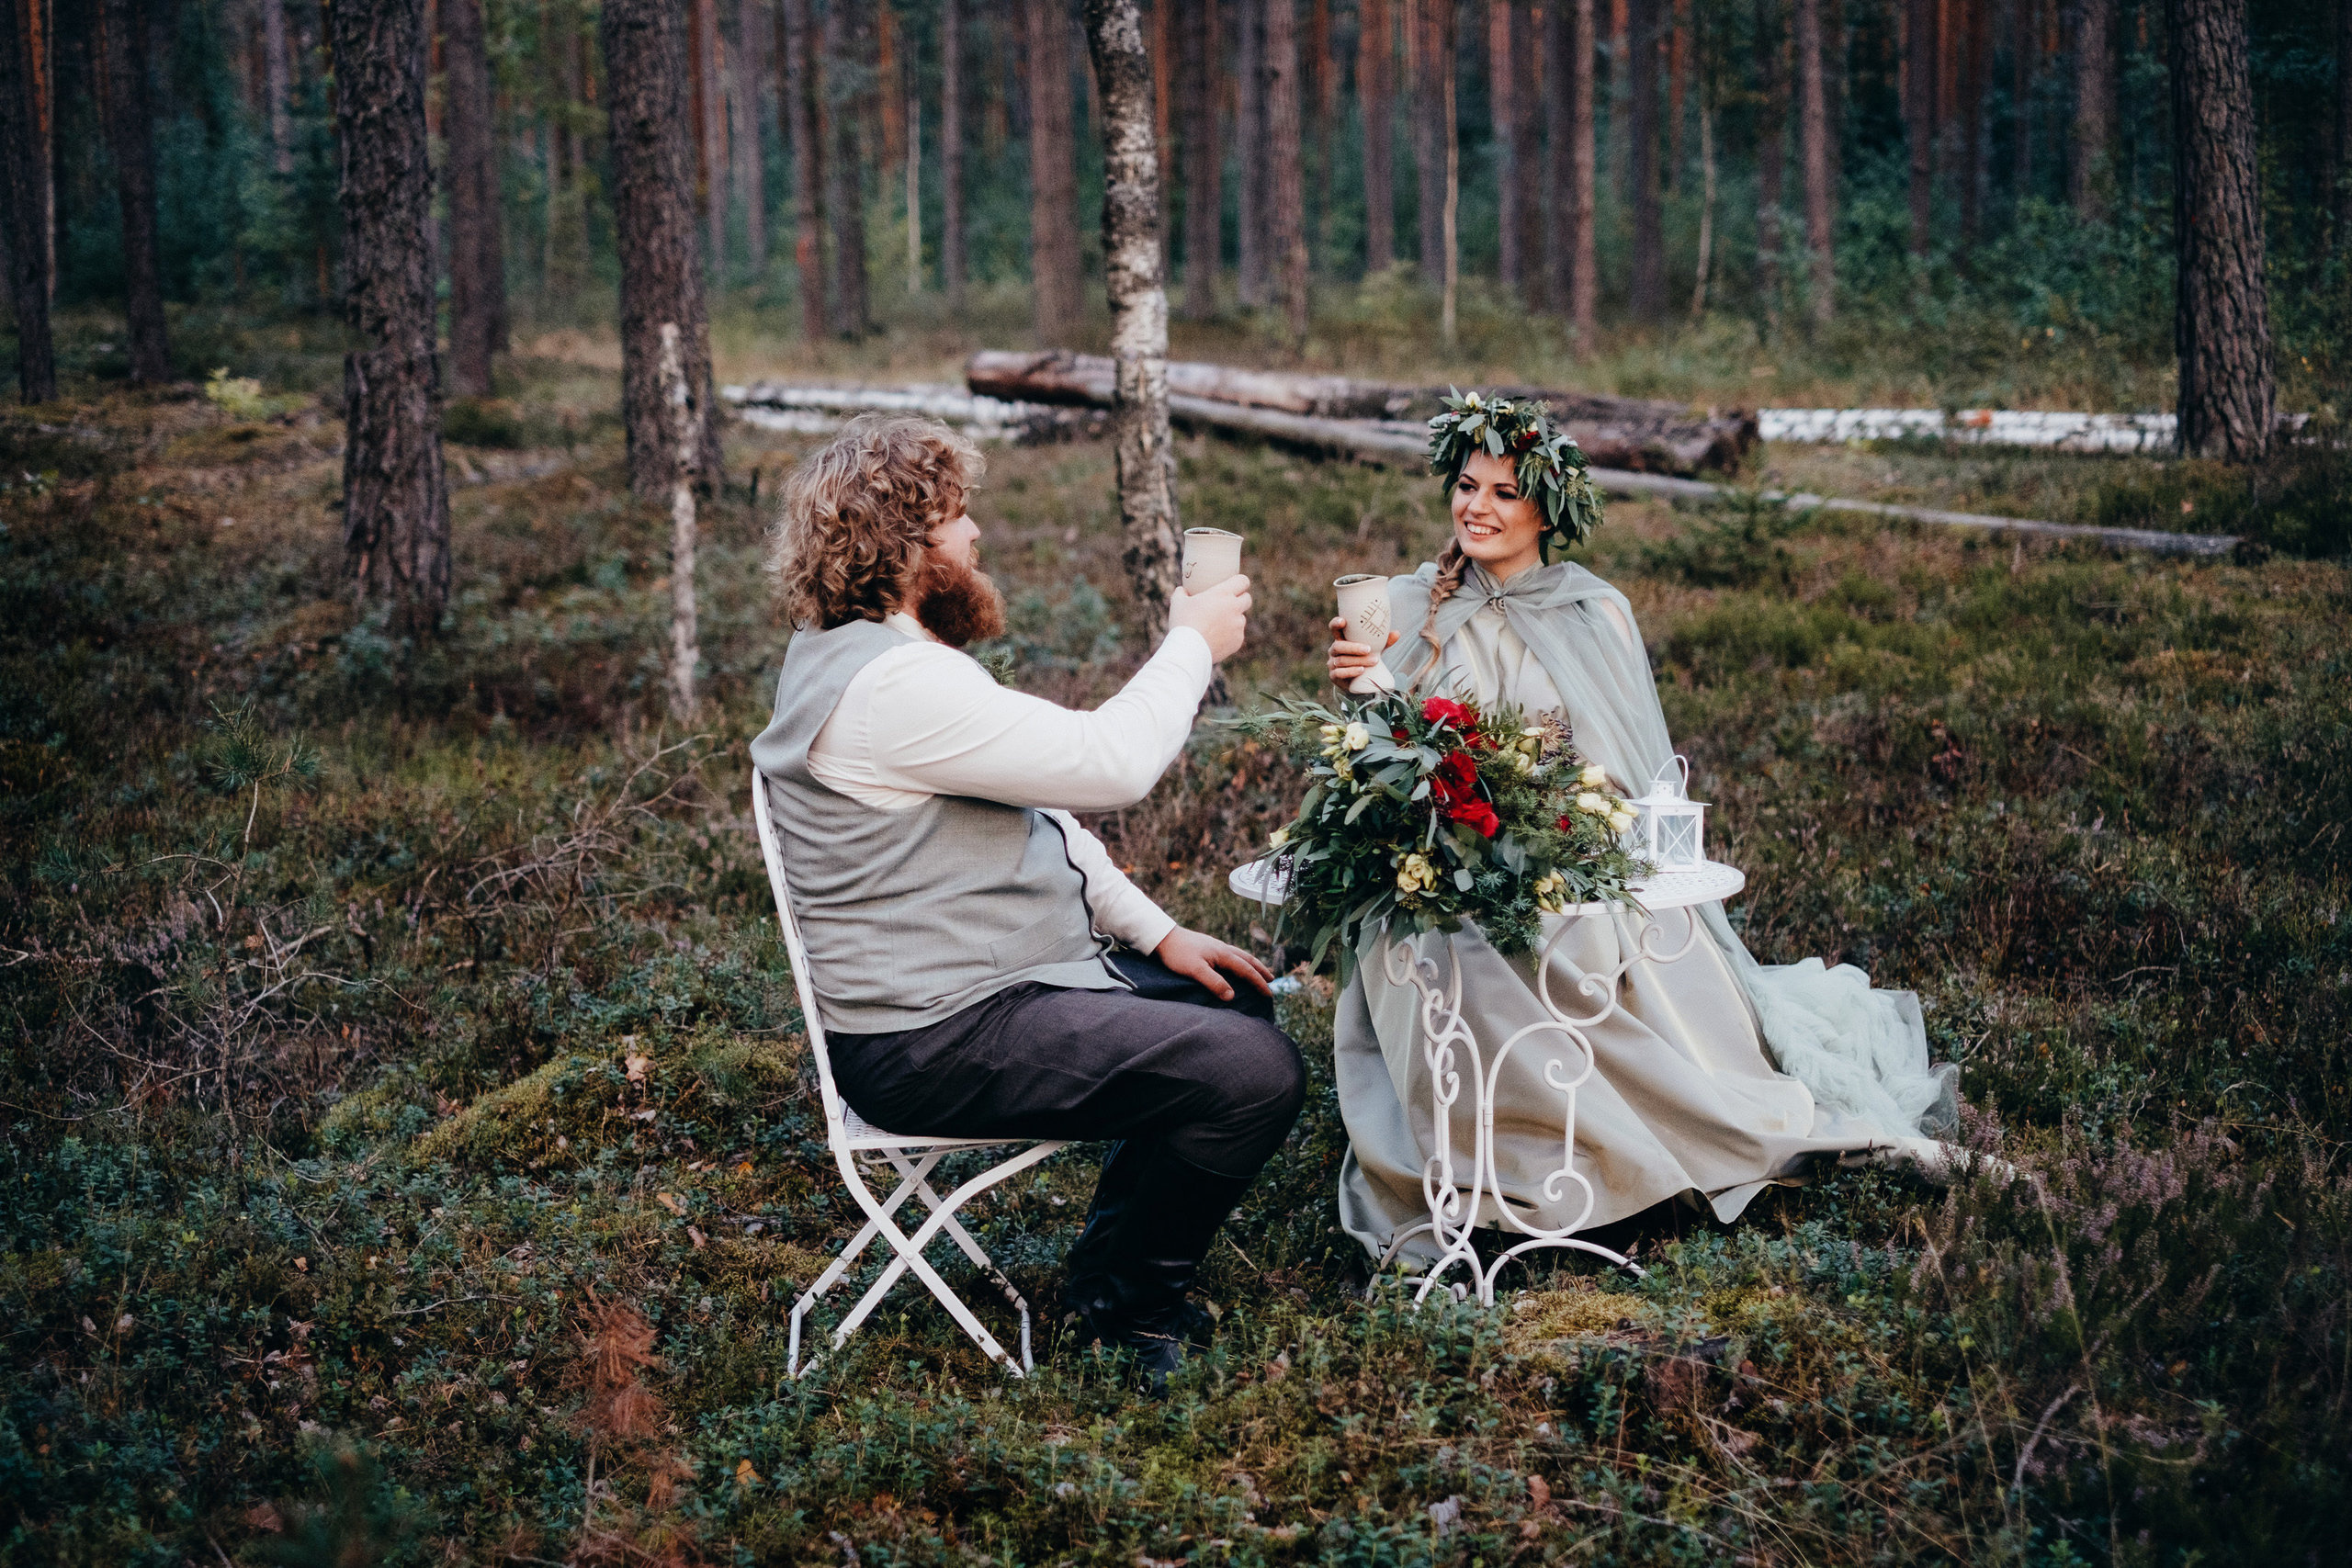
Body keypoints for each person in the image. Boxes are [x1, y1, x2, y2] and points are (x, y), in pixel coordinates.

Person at [1324, 393, 1962, 1266]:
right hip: (1444, 849)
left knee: (1580, 933)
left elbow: (1627, 769)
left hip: (1566, 840)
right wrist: (1364, 688)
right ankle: (1484, 1167)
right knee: (1444, 936)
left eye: (1503, 492)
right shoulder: (1404, 601)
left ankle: (1638, 1149)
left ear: (1546, 508)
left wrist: (1554, 824)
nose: (1475, 506)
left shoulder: (1596, 611)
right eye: (1466, 485)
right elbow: (1379, 756)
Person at [752, 414, 1305, 1382]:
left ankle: (1109, 1275)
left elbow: (1043, 812)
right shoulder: (895, 689)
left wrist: (1161, 933)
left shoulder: (861, 657)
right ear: (908, 544)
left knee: (1236, 1002)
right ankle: (1126, 1319)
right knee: (1252, 1070)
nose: (975, 539)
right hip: (929, 1038)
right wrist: (1191, 645)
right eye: (960, 520)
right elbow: (1111, 764)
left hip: (974, 997)